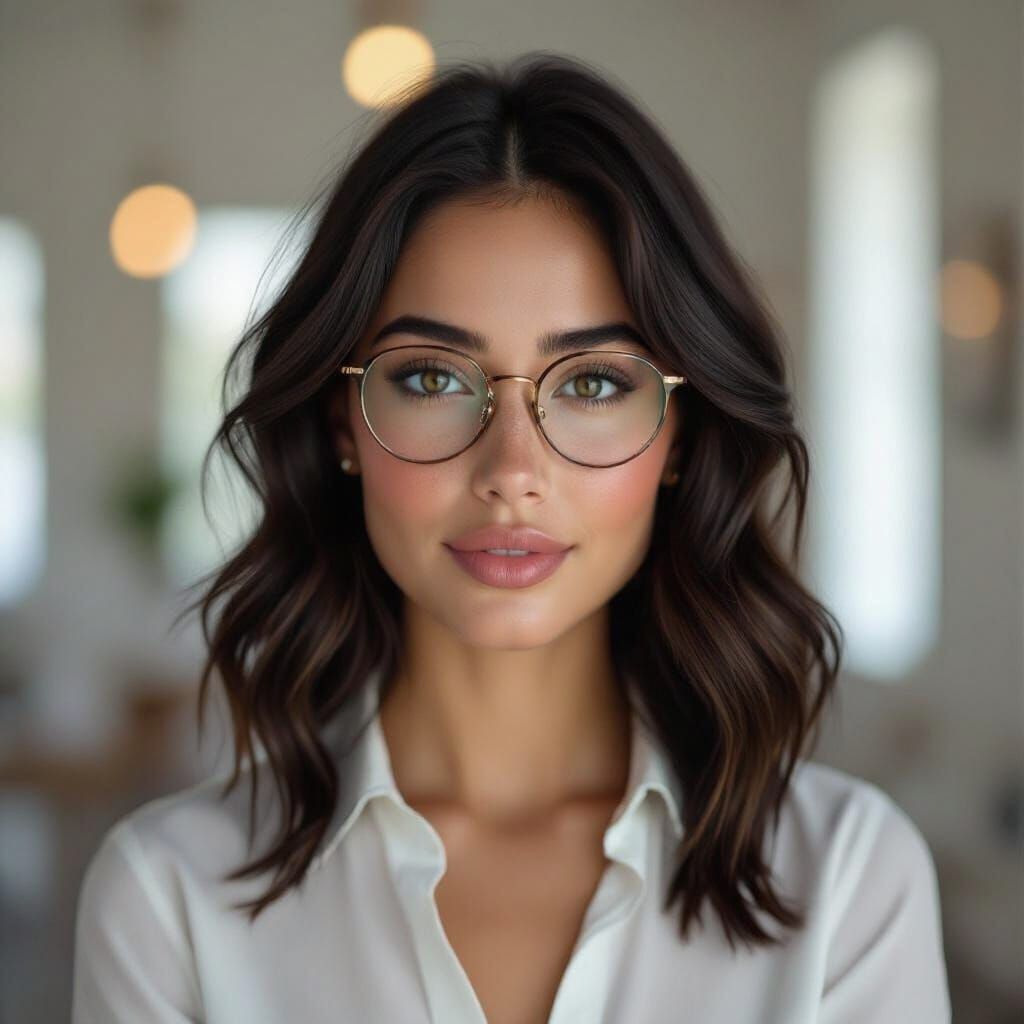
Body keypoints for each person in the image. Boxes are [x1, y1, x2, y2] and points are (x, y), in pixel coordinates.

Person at [72, 52, 951, 1023]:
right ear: (340, 425)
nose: (511, 470)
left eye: (593, 383)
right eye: (433, 378)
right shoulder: (170, 897)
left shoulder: (846, 881)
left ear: (676, 437)